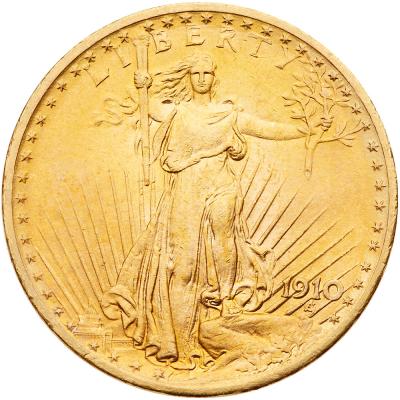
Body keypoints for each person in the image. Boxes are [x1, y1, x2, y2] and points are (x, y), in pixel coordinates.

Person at [102, 53, 315, 370]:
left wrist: (305, 130)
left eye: (207, 73)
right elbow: (149, 107)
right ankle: (182, 346)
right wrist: (141, 86)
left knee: (224, 238)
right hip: (187, 192)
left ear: (215, 77)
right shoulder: (178, 112)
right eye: (196, 73)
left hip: (222, 186)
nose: (202, 78)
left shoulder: (228, 115)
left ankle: (226, 297)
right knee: (183, 269)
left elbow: (266, 128)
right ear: (189, 77)